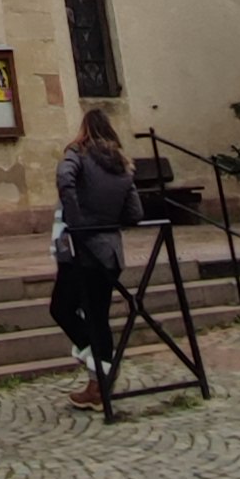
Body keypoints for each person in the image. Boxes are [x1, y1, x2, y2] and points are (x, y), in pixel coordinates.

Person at [53, 107, 143, 411]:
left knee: (62, 308)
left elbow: (64, 178)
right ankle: (98, 386)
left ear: (85, 129)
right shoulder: (121, 163)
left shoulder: (77, 154)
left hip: (83, 252)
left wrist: (76, 220)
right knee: (98, 317)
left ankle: (100, 368)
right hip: (110, 253)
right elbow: (135, 212)